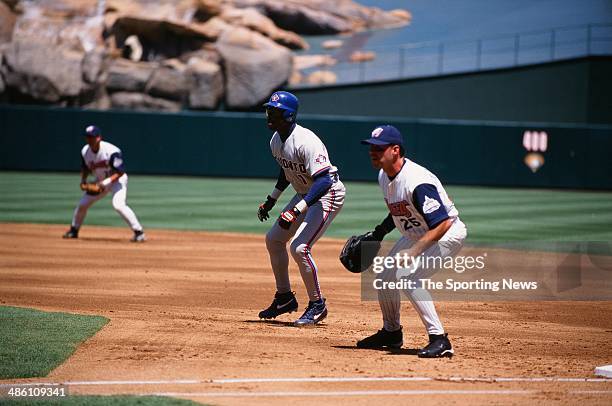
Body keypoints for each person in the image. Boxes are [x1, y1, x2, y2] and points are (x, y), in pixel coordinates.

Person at [357, 124, 467, 357]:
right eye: (371, 147)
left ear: (395, 150)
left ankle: (440, 339)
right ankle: (391, 332)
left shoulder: (417, 181)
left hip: (447, 233)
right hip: (418, 233)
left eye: (379, 147)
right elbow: (399, 210)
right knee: (385, 276)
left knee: (406, 275)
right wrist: (378, 233)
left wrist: (414, 251)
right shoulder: (383, 176)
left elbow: (442, 222)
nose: (372, 152)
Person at [257, 91, 345, 326]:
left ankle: (318, 305)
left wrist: (297, 210)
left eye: (274, 112)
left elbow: (324, 180)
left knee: (299, 247)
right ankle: (284, 297)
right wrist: (272, 200)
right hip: (305, 193)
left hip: (328, 193)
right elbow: (288, 171)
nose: (269, 116)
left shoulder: (306, 141)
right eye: (269, 111)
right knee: (274, 239)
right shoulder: (276, 140)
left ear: (288, 115)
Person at [62, 125, 146, 242]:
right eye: (88, 137)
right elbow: (85, 168)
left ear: (98, 138)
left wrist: (105, 182)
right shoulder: (85, 151)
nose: (90, 140)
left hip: (117, 181)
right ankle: (74, 231)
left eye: (92, 137)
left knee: (118, 205)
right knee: (82, 204)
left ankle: (139, 232)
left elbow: (120, 172)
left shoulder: (112, 151)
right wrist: (83, 180)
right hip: (100, 181)